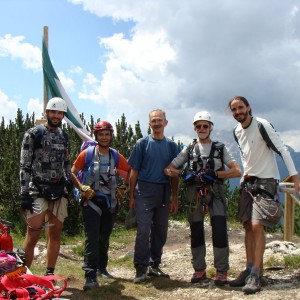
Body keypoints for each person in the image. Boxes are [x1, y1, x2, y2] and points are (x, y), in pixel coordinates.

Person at [228, 96, 300, 294]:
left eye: (240, 107)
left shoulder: (262, 125)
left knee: (258, 226)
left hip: (267, 180)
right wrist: (244, 175)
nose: (238, 112)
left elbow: (282, 150)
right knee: (247, 226)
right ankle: (249, 268)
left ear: (248, 107)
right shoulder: (236, 131)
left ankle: (256, 274)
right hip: (248, 181)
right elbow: (245, 154)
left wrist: (295, 177)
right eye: (234, 109)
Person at [164, 111, 241, 286]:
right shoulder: (189, 149)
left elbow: (237, 171)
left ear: (211, 127)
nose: (202, 128)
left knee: (220, 230)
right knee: (196, 231)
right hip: (194, 194)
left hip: (216, 192)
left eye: (205, 125)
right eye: (198, 126)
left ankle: (222, 271)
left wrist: (216, 174)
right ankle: (199, 270)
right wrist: (183, 173)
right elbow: (168, 170)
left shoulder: (221, 148)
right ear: (194, 128)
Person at [71, 120, 131, 291]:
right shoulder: (87, 154)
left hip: (110, 203)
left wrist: (124, 188)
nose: (104, 137)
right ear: (96, 136)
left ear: (111, 135)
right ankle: (90, 275)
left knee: (104, 236)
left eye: (107, 134)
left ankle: (102, 268)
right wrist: (81, 187)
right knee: (92, 238)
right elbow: (72, 173)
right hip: (90, 202)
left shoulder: (115, 156)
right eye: (101, 134)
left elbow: (131, 171)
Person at [19, 97, 73, 276]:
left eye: (59, 113)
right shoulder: (33, 134)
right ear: (47, 112)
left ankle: (50, 274)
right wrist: (24, 193)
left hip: (58, 190)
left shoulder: (63, 136)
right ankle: (24, 275)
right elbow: (24, 165)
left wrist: (68, 180)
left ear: (63, 115)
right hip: (37, 190)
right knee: (33, 234)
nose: (56, 116)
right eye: (53, 112)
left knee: (55, 233)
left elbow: (66, 161)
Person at [128, 109, 179, 284]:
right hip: (144, 190)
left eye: (159, 120)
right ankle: (140, 266)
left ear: (166, 122)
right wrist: (132, 196)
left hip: (164, 191)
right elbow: (133, 172)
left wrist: (174, 198)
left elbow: (174, 174)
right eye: (153, 120)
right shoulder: (141, 144)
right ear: (149, 123)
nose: (156, 123)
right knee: (143, 229)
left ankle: (154, 263)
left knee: (161, 229)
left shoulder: (172, 146)